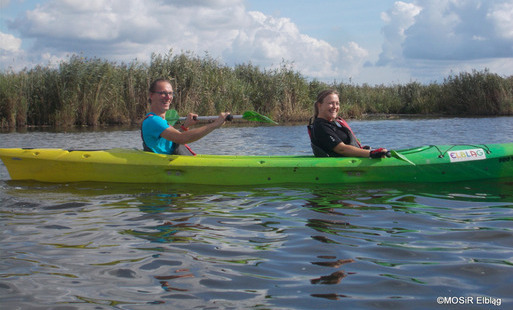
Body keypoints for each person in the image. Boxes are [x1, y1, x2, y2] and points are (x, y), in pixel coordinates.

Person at [141, 78, 229, 155]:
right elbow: (181, 138)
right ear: (151, 95)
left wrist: (185, 126)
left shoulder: (159, 121)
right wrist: (215, 124)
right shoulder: (153, 121)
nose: (168, 97)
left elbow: (172, 140)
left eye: (170, 93)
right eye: (163, 93)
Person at [308, 89, 388, 158]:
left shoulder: (331, 123)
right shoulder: (321, 126)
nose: (335, 107)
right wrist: (371, 153)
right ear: (319, 105)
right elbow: (341, 149)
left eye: (337, 103)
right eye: (331, 103)